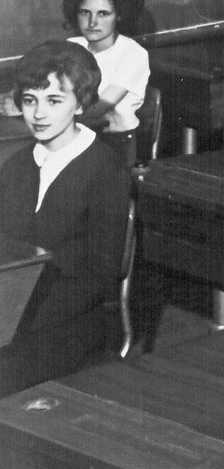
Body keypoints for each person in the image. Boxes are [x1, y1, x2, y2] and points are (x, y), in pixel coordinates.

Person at [0, 41, 130, 396]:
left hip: (72, 320)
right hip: (12, 305)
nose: (38, 114)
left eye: (54, 101)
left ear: (81, 103)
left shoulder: (105, 170)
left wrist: (17, 321)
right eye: (30, 100)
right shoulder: (17, 165)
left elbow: (100, 275)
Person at [62, 0, 150, 165]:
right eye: (85, 12)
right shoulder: (72, 46)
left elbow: (101, 106)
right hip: (76, 133)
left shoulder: (133, 54)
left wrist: (57, 116)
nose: (92, 22)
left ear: (119, 15)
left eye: (103, 14)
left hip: (117, 143)